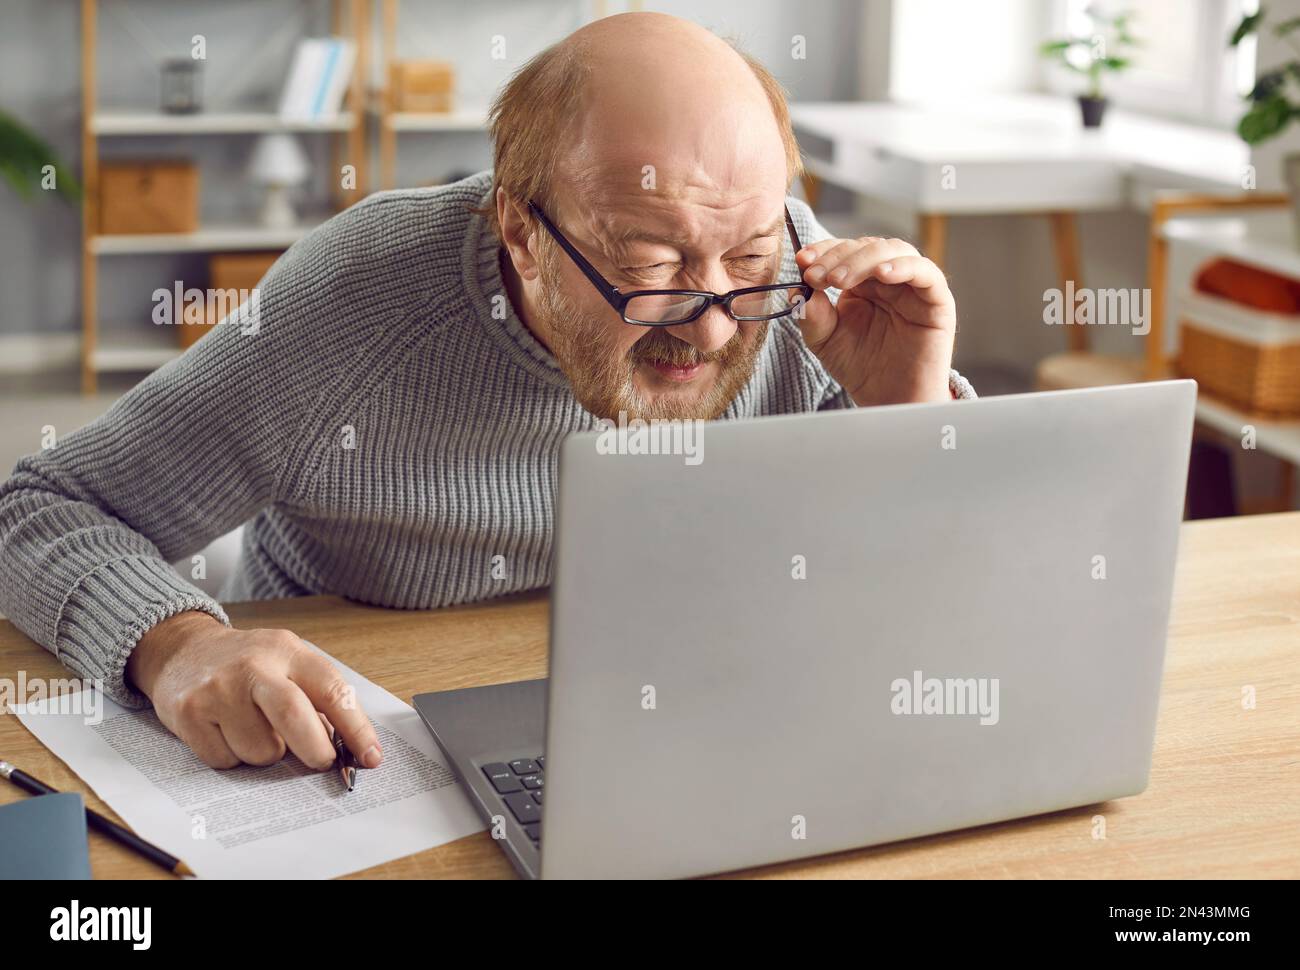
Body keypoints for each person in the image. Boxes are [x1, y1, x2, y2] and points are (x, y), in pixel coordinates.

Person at [0, 12, 973, 773]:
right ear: (520, 228)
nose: (715, 325)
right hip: (355, 757)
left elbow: (917, 610)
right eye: (650, 267)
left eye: (748, 256)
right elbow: (37, 508)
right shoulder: (350, 305)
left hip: (692, 722)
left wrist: (907, 421)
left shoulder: (800, 284)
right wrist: (175, 645)